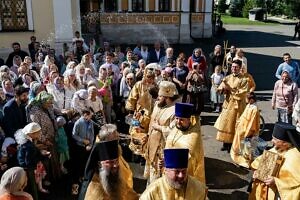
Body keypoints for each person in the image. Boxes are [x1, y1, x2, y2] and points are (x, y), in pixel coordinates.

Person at [79, 124, 137, 199]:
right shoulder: (95, 192)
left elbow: (127, 192)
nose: (116, 165)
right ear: (100, 164)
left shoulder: (115, 177)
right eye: (110, 162)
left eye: (116, 161)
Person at [249, 122, 300, 200]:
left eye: (275, 139)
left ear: (285, 143)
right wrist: (258, 172)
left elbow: (296, 183)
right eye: (272, 138)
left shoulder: (295, 157)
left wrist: (277, 182)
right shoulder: (277, 148)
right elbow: (260, 163)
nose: (272, 141)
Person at [143, 81, 178, 184]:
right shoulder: (158, 105)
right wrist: (148, 135)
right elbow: (151, 122)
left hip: (162, 150)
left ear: (167, 97)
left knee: (160, 180)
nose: (157, 98)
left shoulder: (174, 111)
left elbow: (174, 132)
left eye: (160, 96)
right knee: (151, 177)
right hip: (151, 146)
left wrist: (159, 127)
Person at [140, 148, 207, 200]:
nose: (181, 176)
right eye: (177, 172)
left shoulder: (198, 189)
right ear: (166, 170)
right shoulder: (151, 193)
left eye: (184, 171)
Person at [165, 103, 205, 184]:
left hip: (183, 173)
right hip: (169, 167)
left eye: (182, 119)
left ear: (189, 119)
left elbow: (189, 157)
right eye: (176, 118)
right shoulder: (177, 128)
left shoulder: (194, 136)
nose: (178, 122)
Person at [214, 60, 248, 152]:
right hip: (227, 104)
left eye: (236, 67)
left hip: (237, 106)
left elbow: (242, 93)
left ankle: (232, 145)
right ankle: (225, 143)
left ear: (240, 68)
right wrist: (221, 89)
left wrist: (229, 88)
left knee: (233, 125)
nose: (234, 68)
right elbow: (220, 89)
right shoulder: (228, 77)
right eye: (232, 67)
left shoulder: (244, 80)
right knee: (225, 124)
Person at [15, 123, 51, 200]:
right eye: (38, 132)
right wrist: (43, 157)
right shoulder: (29, 146)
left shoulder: (27, 141)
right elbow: (29, 161)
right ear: (31, 133)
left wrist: (40, 153)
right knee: (32, 185)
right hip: (29, 169)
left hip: (26, 167)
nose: (39, 134)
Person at [230, 92, 260, 168]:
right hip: (241, 129)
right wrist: (238, 123)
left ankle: (245, 163)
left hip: (247, 131)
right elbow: (243, 116)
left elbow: (252, 123)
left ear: (251, 100)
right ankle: (238, 160)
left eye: (247, 99)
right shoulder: (249, 106)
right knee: (239, 146)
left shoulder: (255, 109)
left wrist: (248, 133)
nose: (245, 101)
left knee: (247, 148)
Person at [71, 109, 94, 193]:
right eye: (90, 115)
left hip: (87, 147)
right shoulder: (78, 123)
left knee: (86, 162)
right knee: (79, 163)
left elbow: (92, 134)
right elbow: (74, 135)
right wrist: (83, 141)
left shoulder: (90, 122)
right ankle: (77, 179)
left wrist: (90, 144)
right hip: (80, 147)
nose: (91, 117)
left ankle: (83, 176)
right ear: (85, 115)